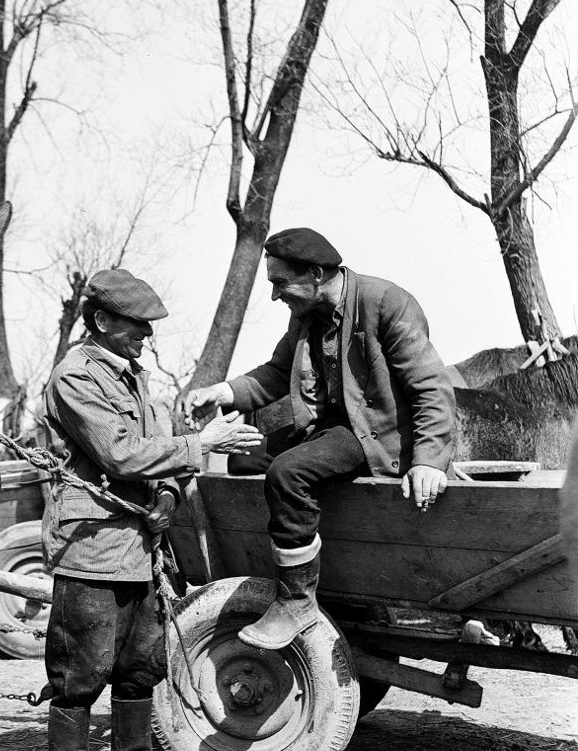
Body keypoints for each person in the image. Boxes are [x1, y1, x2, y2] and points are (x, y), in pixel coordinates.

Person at [42, 268, 262, 751]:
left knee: (141, 669)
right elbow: (119, 452)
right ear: (100, 321)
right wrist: (203, 444)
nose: (147, 336)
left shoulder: (134, 377)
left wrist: (166, 499)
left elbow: (154, 453)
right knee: (81, 672)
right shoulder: (76, 378)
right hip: (92, 549)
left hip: (142, 550)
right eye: (137, 325)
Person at [183, 227, 456, 651]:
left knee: (287, 472)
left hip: (378, 438)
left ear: (314, 274)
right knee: (245, 459)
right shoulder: (307, 315)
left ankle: (296, 600)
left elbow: (432, 388)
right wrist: (223, 391)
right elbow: (276, 372)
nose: (275, 296)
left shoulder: (385, 303)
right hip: (334, 431)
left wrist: (428, 462)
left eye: (279, 283)